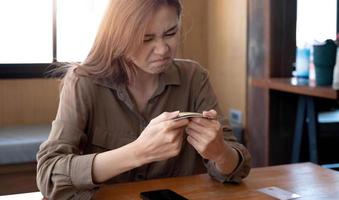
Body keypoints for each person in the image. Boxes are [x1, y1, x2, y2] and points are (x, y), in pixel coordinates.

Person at [36, 0, 251, 199]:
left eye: (170, 33)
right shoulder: (83, 82)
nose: (163, 49)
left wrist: (221, 153)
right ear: (118, 36)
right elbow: (49, 173)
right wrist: (137, 152)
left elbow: (239, 166)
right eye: (146, 39)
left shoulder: (194, 77)